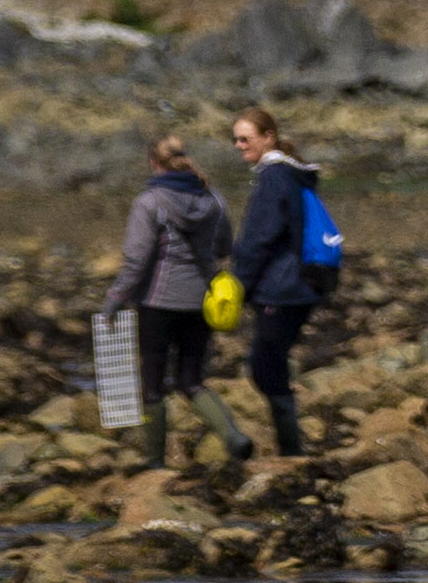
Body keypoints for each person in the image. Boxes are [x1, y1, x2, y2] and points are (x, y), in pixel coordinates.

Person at [104, 131, 230, 468]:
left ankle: (155, 463)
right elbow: (224, 248)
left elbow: (136, 260)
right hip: (200, 301)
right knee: (192, 381)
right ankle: (235, 438)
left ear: (153, 163)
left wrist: (114, 299)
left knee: (153, 385)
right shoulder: (214, 200)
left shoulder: (150, 202)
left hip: (157, 303)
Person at [222, 106, 336, 462]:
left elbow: (259, 238)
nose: (240, 146)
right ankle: (291, 447)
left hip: (283, 289)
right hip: (298, 286)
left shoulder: (273, 177)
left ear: (268, 137)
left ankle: (292, 451)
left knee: (265, 367)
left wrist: (237, 285)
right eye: (236, 139)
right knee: (273, 363)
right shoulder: (290, 175)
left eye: (246, 138)